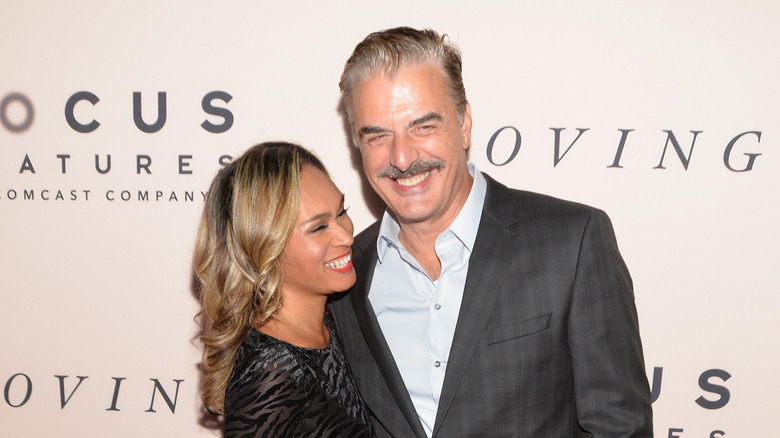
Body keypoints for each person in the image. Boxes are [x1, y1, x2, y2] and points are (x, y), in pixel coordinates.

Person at [329, 27, 653, 437]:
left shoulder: (572, 243)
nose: (402, 156)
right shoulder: (343, 277)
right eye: (377, 135)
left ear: (464, 123)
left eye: (423, 127)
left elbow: (619, 428)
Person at [193, 142, 374, 437]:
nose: (345, 235)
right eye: (318, 228)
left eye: (342, 212)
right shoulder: (272, 369)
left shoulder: (331, 322)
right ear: (266, 248)